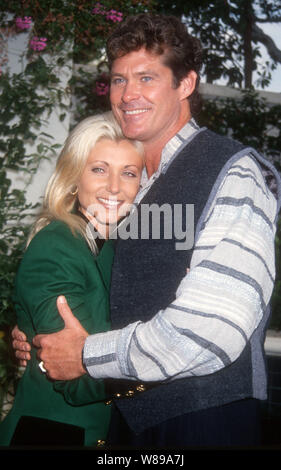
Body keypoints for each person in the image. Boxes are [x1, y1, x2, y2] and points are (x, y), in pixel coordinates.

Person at [12, 14, 281, 448]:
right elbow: (92, 279)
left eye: (146, 78)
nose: (128, 94)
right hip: (124, 423)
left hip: (202, 421)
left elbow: (210, 330)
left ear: (186, 84)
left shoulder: (234, 172)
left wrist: (82, 355)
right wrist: (39, 334)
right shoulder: (131, 184)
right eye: (119, 80)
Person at [0, 111, 144, 447]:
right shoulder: (57, 245)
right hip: (55, 434)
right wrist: (171, 362)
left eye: (128, 173)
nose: (113, 187)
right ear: (74, 175)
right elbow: (74, 378)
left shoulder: (124, 243)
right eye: (98, 169)